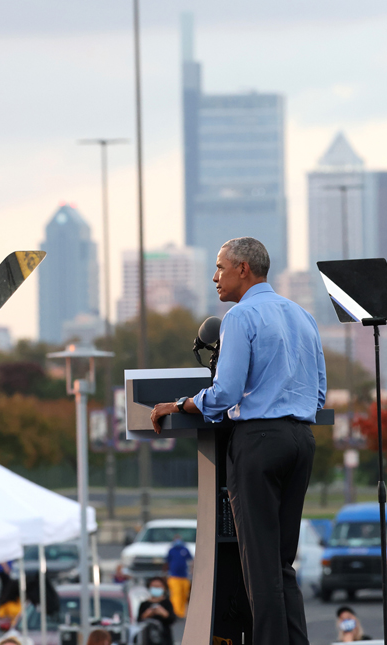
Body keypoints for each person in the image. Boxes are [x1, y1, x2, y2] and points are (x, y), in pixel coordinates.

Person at [149, 236, 326, 645]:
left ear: (243, 269)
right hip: (301, 440)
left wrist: (182, 404)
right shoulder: (303, 315)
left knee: (260, 570)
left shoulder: (240, 318)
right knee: (282, 566)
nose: (214, 277)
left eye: (220, 267)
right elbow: (318, 393)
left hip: (260, 442)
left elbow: (225, 393)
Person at [136, 577, 175, 645]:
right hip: (147, 639)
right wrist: (147, 614)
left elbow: (172, 619)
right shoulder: (144, 604)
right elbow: (138, 621)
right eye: (154, 586)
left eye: (158, 586)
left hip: (164, 639)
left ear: (164, 588)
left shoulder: (167, 603)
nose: (156, 588)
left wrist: (163, 613)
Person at [165, 533, 193, 619]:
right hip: (174, 577)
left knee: (184, 595)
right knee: (176, 595)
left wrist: (191, 571)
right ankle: (176, 612)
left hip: (184, 576)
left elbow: (191, 561)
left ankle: (182, 612)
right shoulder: (171, 550)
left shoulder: (185, 550)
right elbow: (166, 562)